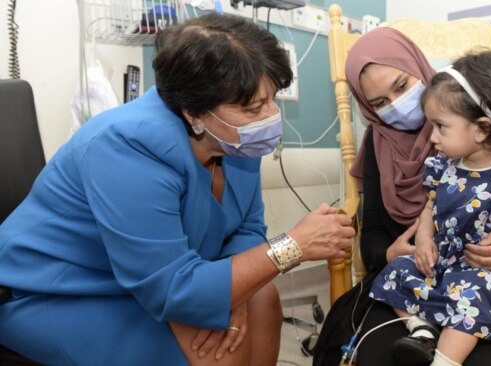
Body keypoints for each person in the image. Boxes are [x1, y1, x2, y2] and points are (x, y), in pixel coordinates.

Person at [0, 13, 355, 366]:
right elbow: (171, 289)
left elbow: (245, 229)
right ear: (194, 113)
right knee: (218, 355)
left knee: (262, 298)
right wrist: (293, 247)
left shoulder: (233, 141)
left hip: (155, 280)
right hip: (63, 291)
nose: (270, 117)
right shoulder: (128, 146)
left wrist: (234, 296)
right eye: (253, 107)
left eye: (272, 99)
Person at [313, 28, 491, 366]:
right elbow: (372, 235)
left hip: (490, 280)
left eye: (402, 86)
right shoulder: (378, 145)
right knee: (377, 356)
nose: (396, 106)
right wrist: (392, 251)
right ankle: (421, 330)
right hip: (416, 280)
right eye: (379, 103)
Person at [371, 50, 491, 366]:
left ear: (482, 128)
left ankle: (445, 360)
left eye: (441, 127)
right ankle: (421, 331)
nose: (432, 137)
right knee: (396, 271)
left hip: (486, 276)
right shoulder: (445, 168)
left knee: (471, 296)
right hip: (443, 267)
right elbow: (429, 211)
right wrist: (425, 240)